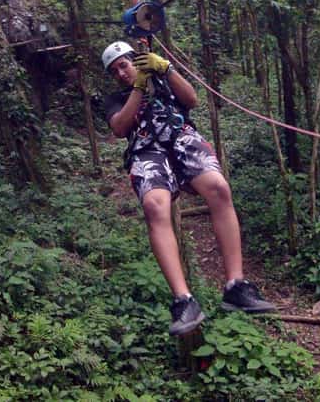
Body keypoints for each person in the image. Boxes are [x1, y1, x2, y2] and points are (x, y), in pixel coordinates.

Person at [101, 40, 275, 335]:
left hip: (180, 136)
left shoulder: (162, 80)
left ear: (135, 60)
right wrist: (138, 88)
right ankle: (183, 300)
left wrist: (165, 69)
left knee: (218, 188)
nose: (120, 72)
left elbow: (191, 99)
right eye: (114, 70)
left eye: (124, 64)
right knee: (155, 205)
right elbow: (119, 127)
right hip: (147, 150)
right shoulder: (115, 99)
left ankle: (236, 284)